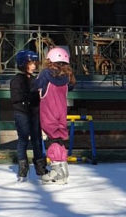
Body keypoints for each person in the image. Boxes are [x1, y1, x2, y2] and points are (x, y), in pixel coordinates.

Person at [36, 46, 76, 185]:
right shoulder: (67, 77)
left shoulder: (45, 74)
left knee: (52, 140)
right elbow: (70, 87)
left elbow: (36, 87)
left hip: (48, 112)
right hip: (61, 113)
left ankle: (56, 171)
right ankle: (63, 170)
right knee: (59, 139)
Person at [10, 49, 46, 181]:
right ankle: (23, 168)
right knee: (23, 139)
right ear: (23, 64)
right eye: (31, 63)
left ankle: (40, 167)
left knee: (37, 139)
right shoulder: (16, 80)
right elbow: (16, 99)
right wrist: (31, 97)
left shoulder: (35, 79)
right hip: (23, 113)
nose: (34, 66)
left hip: (34, 113)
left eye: (34, 63)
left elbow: (38, 97)